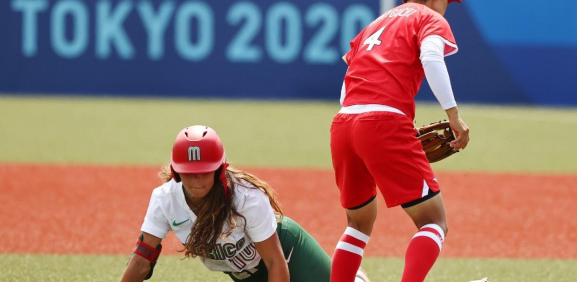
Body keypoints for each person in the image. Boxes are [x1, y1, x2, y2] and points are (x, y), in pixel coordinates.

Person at [329, 1, 471, 282]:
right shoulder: (428, 17)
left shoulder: (376, 23)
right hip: (384, 123)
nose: (447, 6)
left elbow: (347, 86)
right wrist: (453, 115)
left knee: (358, 223)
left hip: (343, 124)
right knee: (433, 221)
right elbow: (432, 58)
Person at [120, 125, 371, 282]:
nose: (196, 179)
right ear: (175, 172)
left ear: (220, 170)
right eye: (188, 172)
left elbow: (276, 263)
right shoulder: (164, 200)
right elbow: (142, 261)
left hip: (288, 253)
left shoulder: (246, 198)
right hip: (246, 275)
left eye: (204, 171)